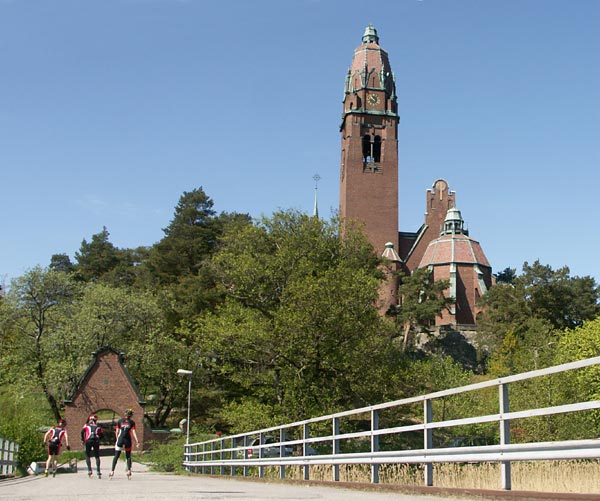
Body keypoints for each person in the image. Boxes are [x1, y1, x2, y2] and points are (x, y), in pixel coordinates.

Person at [109, 408, 139, 480]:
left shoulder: (120, 421)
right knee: (128, 456)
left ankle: (112, 471)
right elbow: (133, 432)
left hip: (120, 439)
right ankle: (129, 471)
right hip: (127, 440)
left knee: (116, 456)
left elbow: (117, 431)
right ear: (131, 415)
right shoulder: (132, 422)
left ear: (125, 414)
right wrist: (137, 441)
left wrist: (117, 440)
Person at [81, 414, 104, 478]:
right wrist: (99, 439)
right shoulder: (98, 426)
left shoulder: (86, 425)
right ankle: (98, 471)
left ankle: (89, 470)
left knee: (87, 455)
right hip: (96, 441)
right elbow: (102, 435)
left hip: (88, 441)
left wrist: (83, 440)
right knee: (97, 456)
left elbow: (82, 432)